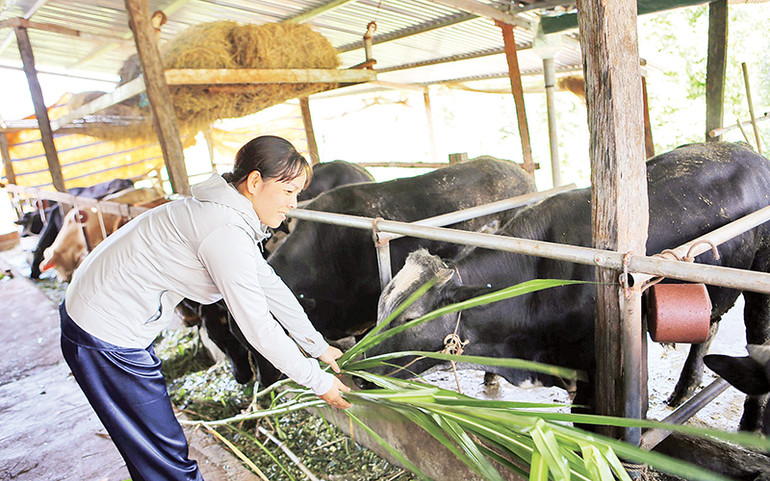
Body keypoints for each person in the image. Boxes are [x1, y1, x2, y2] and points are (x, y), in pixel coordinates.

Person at [59, 135, 352, 481]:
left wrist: (318, 346)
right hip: (103, 333)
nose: (293, 203)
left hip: (107, 321)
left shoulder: (225, 214)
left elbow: (269, 285)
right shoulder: (224, 230)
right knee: (163, 456)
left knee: (157, 447)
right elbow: (258, 326)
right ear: (255, 182)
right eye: (288, 192)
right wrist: (317, 382)